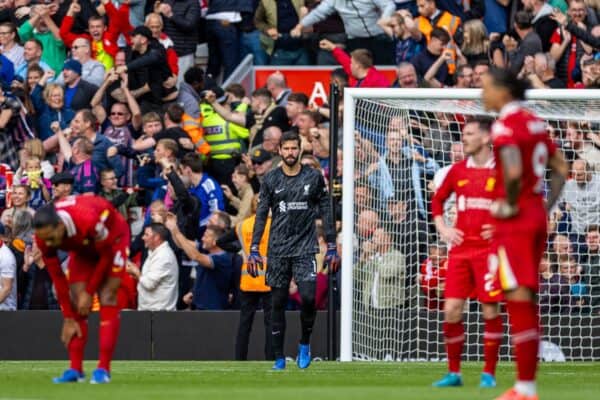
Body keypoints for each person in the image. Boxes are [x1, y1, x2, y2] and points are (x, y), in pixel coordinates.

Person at [481, 68, 569, 400]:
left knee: (518, 298)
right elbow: (561, 168)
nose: (482, 94)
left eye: (486, 87)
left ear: (503, 92)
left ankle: (525, 389)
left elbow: (514, 171)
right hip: (535, 215)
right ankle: (525, 386)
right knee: (527, 300)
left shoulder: (504, 125)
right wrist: (543, 208)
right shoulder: (536, 122)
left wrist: (510, 204)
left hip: (515, 219)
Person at [248, 131, 339, 370]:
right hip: (277, 249)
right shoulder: (270, 179)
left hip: (305, 248)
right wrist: (254, 248)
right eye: (286, 149)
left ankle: (304, 344)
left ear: (300, 149)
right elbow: (260, 215)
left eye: (293, 148)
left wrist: (331, 244)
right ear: (279, 150)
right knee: (277, 302)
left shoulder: (313, 176)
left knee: (308, 298)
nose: (290, 153)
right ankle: (278, 357)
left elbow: (327, 210)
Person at [430, 117, 503, 388]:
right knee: (451, 310)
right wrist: (443, 228)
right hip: (460, 251)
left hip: (490, 252)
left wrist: (501, 227)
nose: (464, 138)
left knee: (490, 310)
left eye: (469, 134)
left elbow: (521, 205)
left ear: (485, 138)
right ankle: (454, 373)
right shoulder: (458, 170)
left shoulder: (504, 171)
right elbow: (437, 200)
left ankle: (489, 374)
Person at [33, 196, 132, 384]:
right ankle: (75, 369)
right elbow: (58, 278)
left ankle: (103, 369)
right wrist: (68, 317)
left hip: (113, 239)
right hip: (83, 247)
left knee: (107, 296)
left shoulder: (87, 220)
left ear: (61, 226)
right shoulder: (44, 238)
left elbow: (105, 255)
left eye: (53, 238)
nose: (50, 244)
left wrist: (90, 290)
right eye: (46, 240)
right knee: (76, 301)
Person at [126, 223, 178, 311]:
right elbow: (147, 278)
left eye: (146, 235)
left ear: (157, 237)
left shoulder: (163, 256)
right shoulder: (154, 252)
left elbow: (149, 284)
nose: (143, 238)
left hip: (158, 315)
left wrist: (136, 272)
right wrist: (133, 271)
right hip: (149, 312)